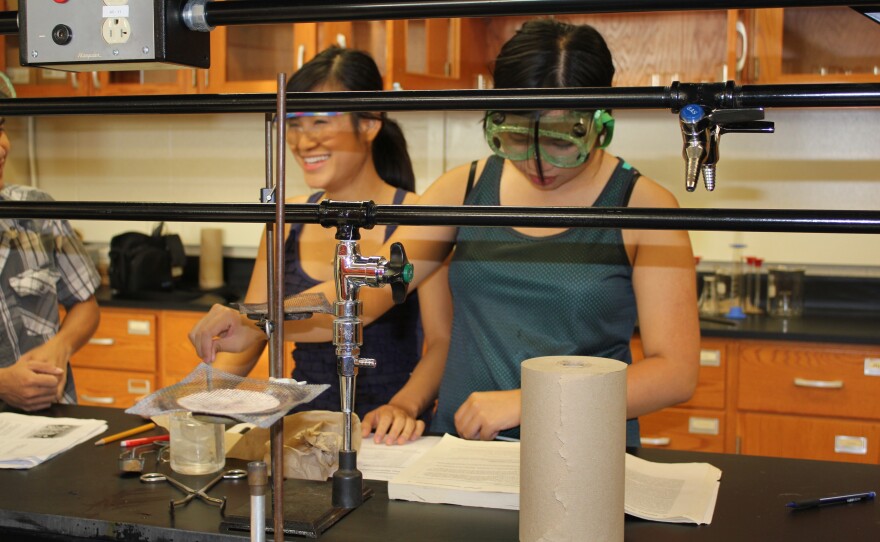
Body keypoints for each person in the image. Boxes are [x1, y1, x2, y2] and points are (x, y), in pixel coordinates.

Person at [191, 20, 699, 447]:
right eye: (517, 136)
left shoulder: (643, 207)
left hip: (581, 452)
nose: (539, 162)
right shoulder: (465, 188)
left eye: (564, 140)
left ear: (600, 122)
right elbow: (363, 296)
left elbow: (675, 371)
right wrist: (256, 319)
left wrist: (528, 403)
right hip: (458, 447)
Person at [207, 46, 451, 442]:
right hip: (305, 428)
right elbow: (254, 334)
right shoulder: (285, 223)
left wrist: (404, 406)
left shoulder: (418, 217)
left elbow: (441, 342)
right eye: (294, 124)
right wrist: (197, 398)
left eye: (319, 121)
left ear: (369, 123)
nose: (302, 142)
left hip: (386, 430)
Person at [0, 115, 102, 411]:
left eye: (1, 128)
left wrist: (61, 345)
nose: (2, 147)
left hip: (54, 422)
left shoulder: (37, 211)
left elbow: (86, 305)